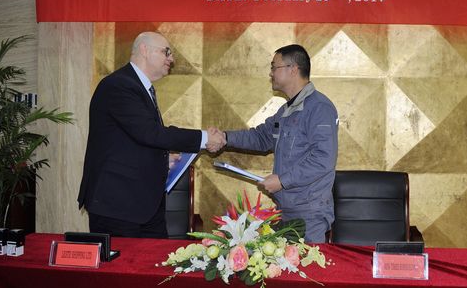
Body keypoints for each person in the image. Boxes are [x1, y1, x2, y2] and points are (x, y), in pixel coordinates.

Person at [78, 31, 225, 238]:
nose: (171, 59)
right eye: (166, 52)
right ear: (144, 50)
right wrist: (204, 138)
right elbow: (150, 133)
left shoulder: (139, 86)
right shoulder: (119, 85)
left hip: (143, 205)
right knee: (125, 261)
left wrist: (161, 159)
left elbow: (131, 140)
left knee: (156, 258)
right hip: (118, 205)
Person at [214, 44, 339, 243]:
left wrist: (282, 181)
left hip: (309, 212)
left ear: (293, 69)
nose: (271, 73)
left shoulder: (319, 108)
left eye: (274, 67)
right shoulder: (286, 111)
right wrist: (224, 137)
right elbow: (261, 137)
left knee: (307, 262)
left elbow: (323, 159)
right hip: (286, 209)